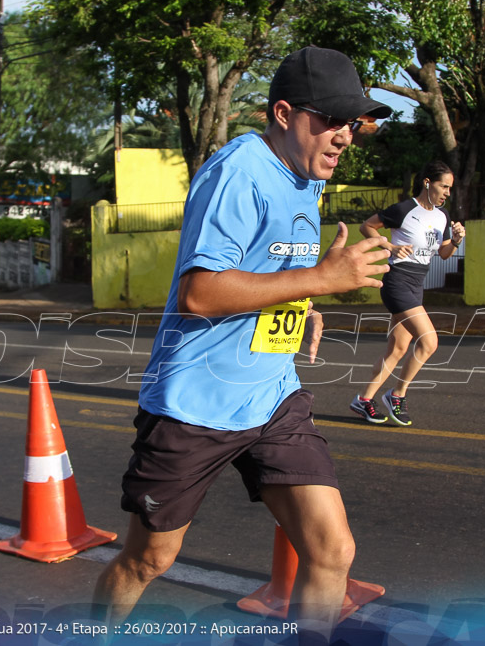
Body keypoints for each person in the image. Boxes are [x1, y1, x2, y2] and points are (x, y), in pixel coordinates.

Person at [92, 46, 393, 644]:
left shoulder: (306, 178)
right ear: (284, 114)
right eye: (329, 120)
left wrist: (299, 304)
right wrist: (321, 280)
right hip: (196, 401)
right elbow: (199, 293)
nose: (344, 137)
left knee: (332, 550)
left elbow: (266, 268)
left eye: (351, 123)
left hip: (271, 392)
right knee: (149, 559)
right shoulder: (239, 172)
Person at [349, 160, 465, 426]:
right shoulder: (404, 209)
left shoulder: (442, 216)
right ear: (427, 183)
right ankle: (396, 395)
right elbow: (367, 226)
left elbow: (445, 254)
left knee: (399, 348)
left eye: (450, 188)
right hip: (398, 282)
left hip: (417, 284)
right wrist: (390, 247)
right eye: (443, 186)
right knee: (429, 342)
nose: (447, 192)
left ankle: (364, 400)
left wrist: (456, 240)